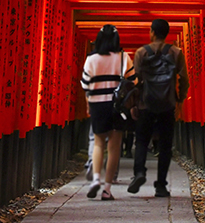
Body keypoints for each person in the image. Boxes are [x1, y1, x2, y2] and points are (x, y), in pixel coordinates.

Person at [126, 19, 189, 197]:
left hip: (146, 104)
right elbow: (184, 79)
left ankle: (139, 173)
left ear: (152, 32)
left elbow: (137, 82)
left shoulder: (141, 53)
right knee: (165, 145)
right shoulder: (176, 52)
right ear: (167, 33)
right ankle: (161, 185)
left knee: (141, 141)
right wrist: (180, 99)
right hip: (167, 104)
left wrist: (134, 105)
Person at [79, 24, 132, 200]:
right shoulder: (124, 57)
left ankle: (95, 179)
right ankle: (107, 189)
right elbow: (133, 80)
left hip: (97, 104)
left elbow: (85, 84)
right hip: (116, 106)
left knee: (99, 143)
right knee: (114, 147)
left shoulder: (91, 59)